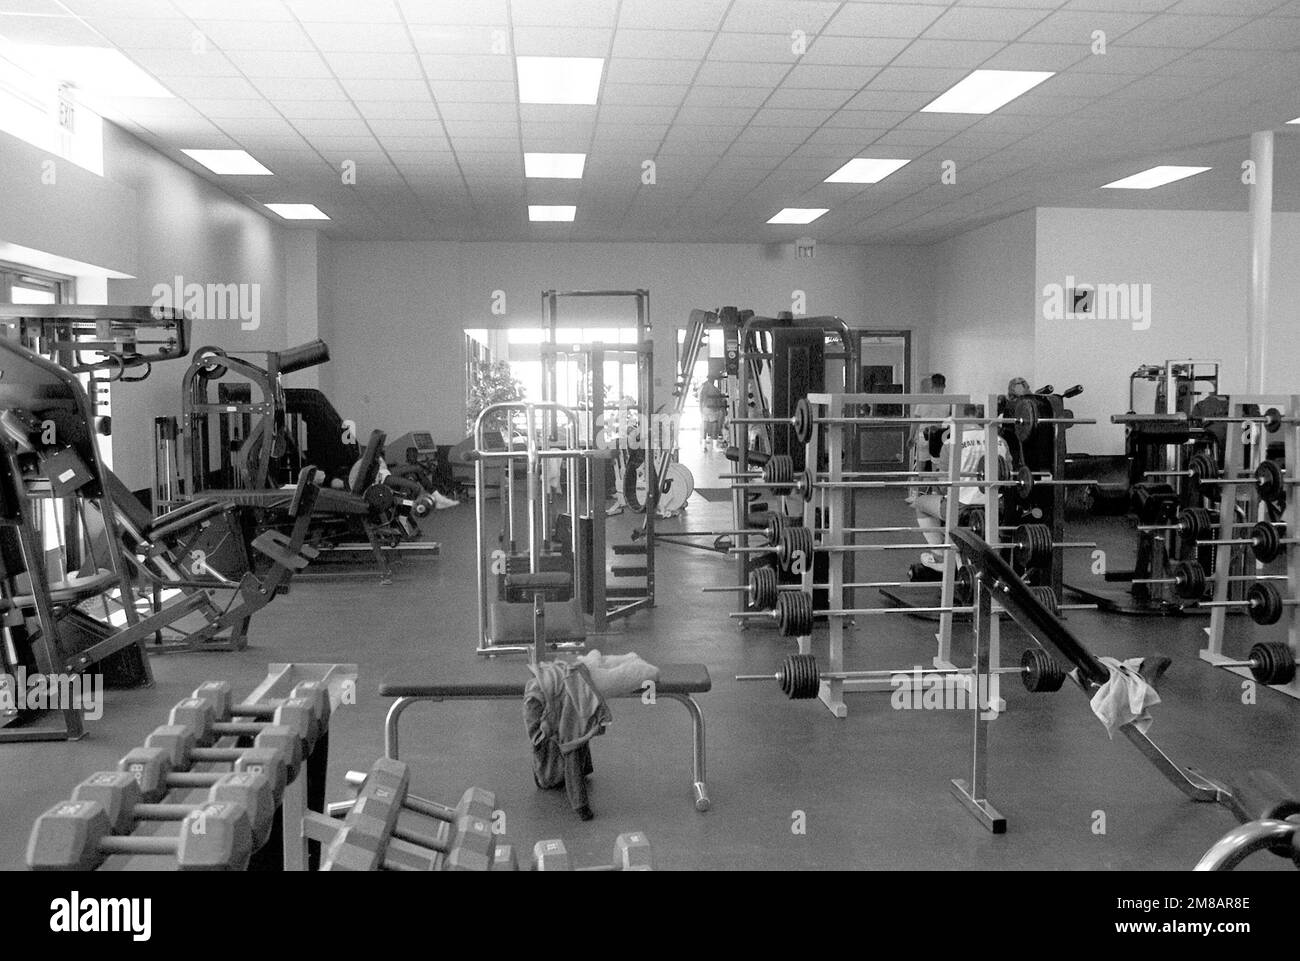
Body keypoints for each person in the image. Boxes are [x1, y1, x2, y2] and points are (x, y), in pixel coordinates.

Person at [912, 404, 1011, 572]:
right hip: (996, 508)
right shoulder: (1000, 441)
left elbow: (944, 486)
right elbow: (1007, 475)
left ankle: (941, 555)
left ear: (956, 418)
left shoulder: (951, 443)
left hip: (961, 507)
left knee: (920, 503)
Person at [698, 376, 728, 451]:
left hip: (705, 408)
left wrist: (701, 408)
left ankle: (703, 445)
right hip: (712, 408)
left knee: (705, 426)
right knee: (714, 426)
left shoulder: (703, 387)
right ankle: (715, 446)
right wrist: (721, 408)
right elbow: (719, 399)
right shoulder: (714, 389)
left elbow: (701, 399)